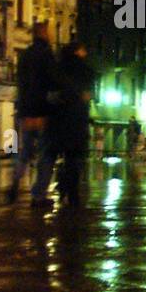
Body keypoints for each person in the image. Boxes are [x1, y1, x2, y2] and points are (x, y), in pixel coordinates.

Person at [6, 20, 59, 205]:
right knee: (46, 153)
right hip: (42, 111)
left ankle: (14, 182)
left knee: (25, 152)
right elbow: (53, 81)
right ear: (44, 34)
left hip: (25, 110)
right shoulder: (47, 54)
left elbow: (21, 81)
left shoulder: (25, 55)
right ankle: (39, 195)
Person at [50, 40, 95, 208]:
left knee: (64, 156)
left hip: (59, 118)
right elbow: (88, 95)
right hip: (77, 119)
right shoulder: (86, 71)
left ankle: (62, 187)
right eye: (83, 49)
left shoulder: (59, 67)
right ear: (78, 52)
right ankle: (73, 193)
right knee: (75, 158)